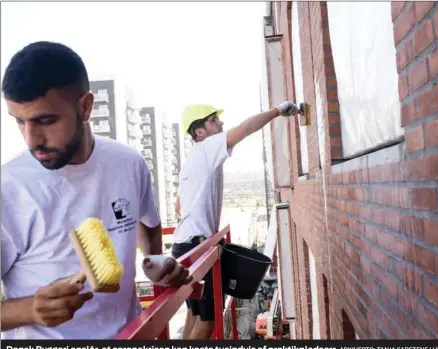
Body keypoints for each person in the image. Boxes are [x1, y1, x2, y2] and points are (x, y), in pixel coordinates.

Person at [0, 41, 192, 339]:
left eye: (46, 120)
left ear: (86, 106)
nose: (31, 139)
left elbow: (148, 225)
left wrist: (154, 264)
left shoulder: (129, 163)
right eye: (19, 122)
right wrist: (29, 310)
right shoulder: (8, 189)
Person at [173, 101, 301, 339]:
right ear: (199, 131)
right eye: (213, 120)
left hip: (182, 246)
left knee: (196, 314)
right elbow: (244, 130)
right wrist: (276, 111)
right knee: (208, 320)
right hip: (198, 247)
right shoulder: (208, 147)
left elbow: (178, 205)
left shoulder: (192, 159)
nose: (220, 123)